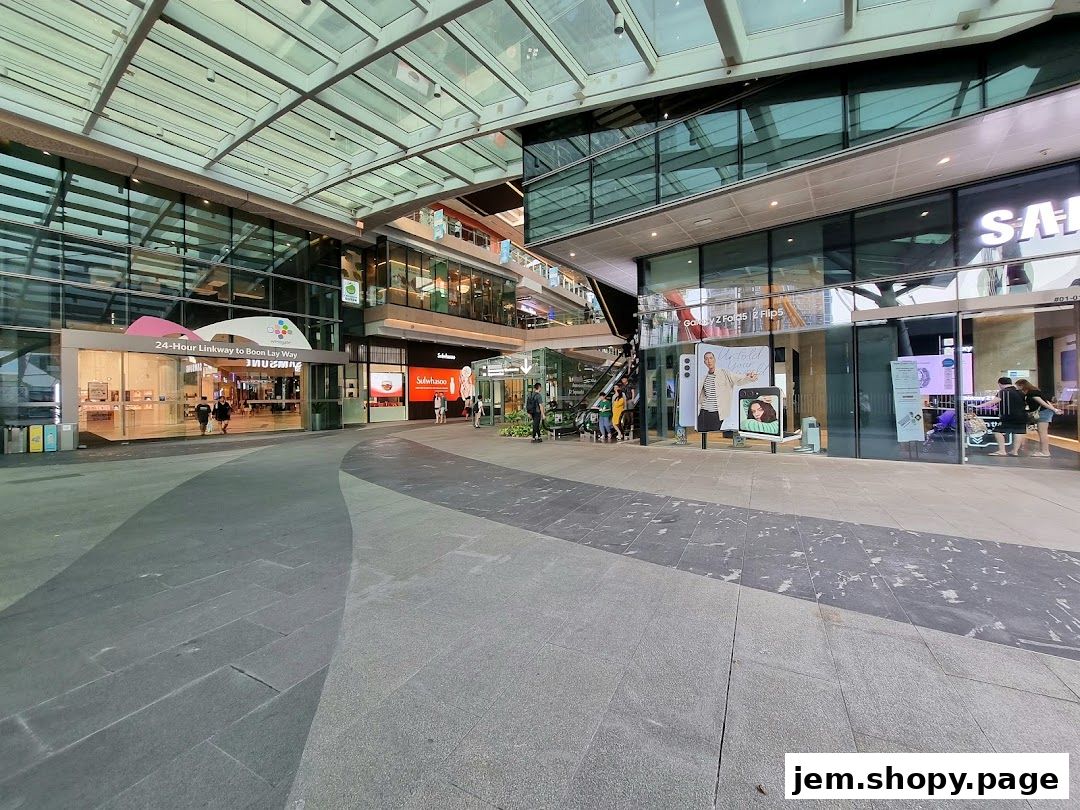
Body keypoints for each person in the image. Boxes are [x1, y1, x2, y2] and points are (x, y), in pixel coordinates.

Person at [697, 350, 759, 432]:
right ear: (704, 362)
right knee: (701, 433)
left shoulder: (724, 373)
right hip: (704, 411)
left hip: (717, 413)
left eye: (711, 358)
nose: (709, 361)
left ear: (714, 360)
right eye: (706, 359)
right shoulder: (704, 377)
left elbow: (739, 379)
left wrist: (750, 378)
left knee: (713, 433)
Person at [1015, 378, 1062, 458]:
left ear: (1022, 385)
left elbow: (1043, 403)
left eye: (1018, 386)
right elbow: (1047, 402)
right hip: (1045, 412)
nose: (1017, 388)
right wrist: (1054, 409)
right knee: (1042, 433)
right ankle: (1044, 451)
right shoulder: (1036, 391)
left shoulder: (1031, 393)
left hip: (1042, 413)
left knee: (1042, 433)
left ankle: (1045, 452)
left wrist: (1054, 410)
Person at [985, 377, 1028, 457]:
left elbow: (993, 402)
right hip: (1022, 415)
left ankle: (1002, 450)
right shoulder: (1020, 392)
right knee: (1018, 432)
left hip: (1009, 416)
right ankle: (1015, 451)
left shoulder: (1003, 392)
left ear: (1000, 384)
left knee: (997, 431)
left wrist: (979, 406)